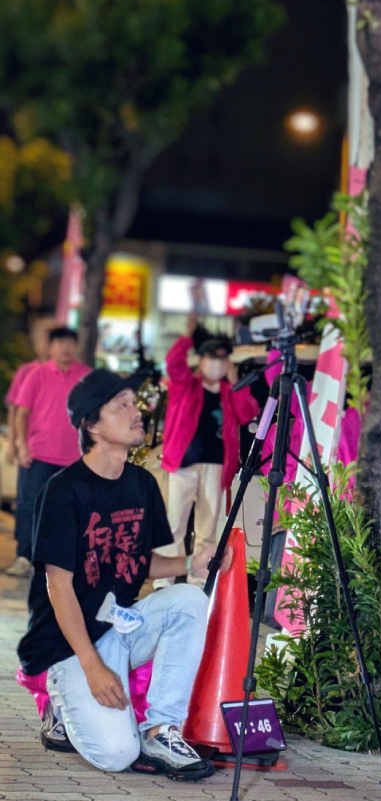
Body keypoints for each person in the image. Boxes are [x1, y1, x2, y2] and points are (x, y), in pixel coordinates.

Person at [17, 369, 231, 777]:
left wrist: (190, 564)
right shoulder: (63, 491)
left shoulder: (141, 483)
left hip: (119, 629)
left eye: (136, 404)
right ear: (92, 425)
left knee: (189, 599)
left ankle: (160, 729)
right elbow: (57, 586)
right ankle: (61, 704)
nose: (138, 413)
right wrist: (93, 666)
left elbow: (136, 560)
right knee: (116, 756)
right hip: (68, 647)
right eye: (123, 406)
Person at [157, 315, 258, 585]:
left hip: (216, 465)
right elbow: (173, 364)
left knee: (208, 525)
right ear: (201, 361)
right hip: (184, 463)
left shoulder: (228, 390)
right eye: (211, 357)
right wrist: (188, 336)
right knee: (174, 524)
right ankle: (163, 580)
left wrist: (236, 382)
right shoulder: (185, 385)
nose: (216, 363)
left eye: (222, 358)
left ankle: (199, 581)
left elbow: (247, 412)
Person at [8, 326, 91, 578]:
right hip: (38, 456)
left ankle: (61, 563)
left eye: (70, 343)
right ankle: (25, 557)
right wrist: (21, 446)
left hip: (74, 459)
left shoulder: (86, 377)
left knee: (69, 512)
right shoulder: (36, 375)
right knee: (30, 507)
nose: (65, 348)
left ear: (76, 347)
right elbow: (21, 413)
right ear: (51, 347)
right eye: (60, 343)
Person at [5, 317, 55, 575]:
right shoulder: (29, 372)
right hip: (33, 452)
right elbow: (16, 410)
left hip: (62, 455)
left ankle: (47, 559)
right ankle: (24, 556)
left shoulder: (71, 374)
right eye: (45, 338)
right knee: (27, 504)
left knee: (55, 507)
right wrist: (14, 443)